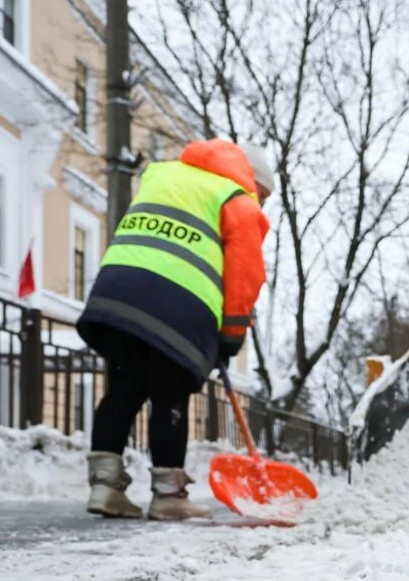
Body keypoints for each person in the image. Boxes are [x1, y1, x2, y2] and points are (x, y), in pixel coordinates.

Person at [77, 138, 273, 521]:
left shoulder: (163, 175)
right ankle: (168, 495)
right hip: (178, 305)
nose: (260, 202)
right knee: (170, 394)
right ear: (252, 179)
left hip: (118, 291)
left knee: (123, 387)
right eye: (262, 194)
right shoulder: (237, 199)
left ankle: (104, 486)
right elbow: (244, 275)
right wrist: (232, 334)